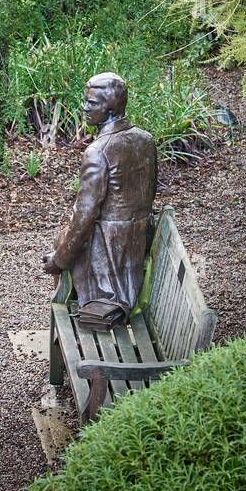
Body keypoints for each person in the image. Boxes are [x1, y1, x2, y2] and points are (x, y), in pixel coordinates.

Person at [43, 72, 157, 325]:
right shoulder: (145, 140)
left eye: (92, 103)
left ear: (111, 107)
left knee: (63, 248)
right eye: (86, 101)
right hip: (136, 243)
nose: (84, 108)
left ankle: (71, 321)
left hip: (111, 259)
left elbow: (84, 216)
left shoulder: (97, 152)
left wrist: (59, 260)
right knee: (63, 241)